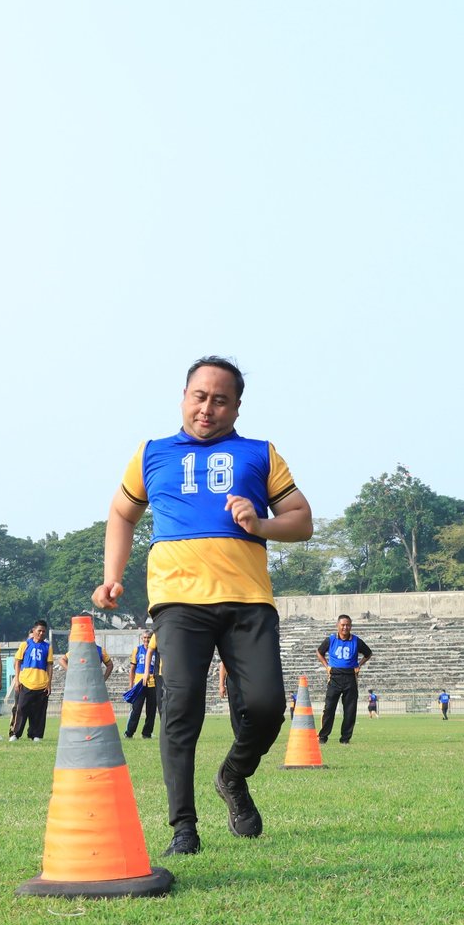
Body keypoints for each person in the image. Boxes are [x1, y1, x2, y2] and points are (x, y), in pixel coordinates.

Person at [92, 356, 313, 856]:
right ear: (183, 397)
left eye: (220, 399)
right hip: (178, 601)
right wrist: (112, 577)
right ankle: (183, 829)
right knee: (180, 706)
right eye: (200, 396)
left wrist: (260, 523)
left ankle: (233, 775)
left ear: (236, 406)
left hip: (248, 599)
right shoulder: (152, 453)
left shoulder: (261, 454)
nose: (207, 408)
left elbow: (301, 520)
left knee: (266, 706)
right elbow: (121, 513)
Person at [317, 614, 373, 745]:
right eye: (343, 625)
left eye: (348, 625)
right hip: (334, 677)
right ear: (338, 625)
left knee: (350, 710)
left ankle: (345, 739)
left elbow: (368, 653)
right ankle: (323, 737)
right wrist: (327, 666)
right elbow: (319, 652)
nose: (345, 627)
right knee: (329, 708)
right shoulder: (330, 640)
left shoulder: (356, 641)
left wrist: (359, 665)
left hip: (350, 677)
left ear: (351, 626)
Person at [8, 620, 53, 742]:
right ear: (33, 631)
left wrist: (49, 683)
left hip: (41, 684)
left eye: (44, 631)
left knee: (39, 712)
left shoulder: (48, 647)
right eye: (39, 631)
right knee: (21, 709)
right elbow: (17, 662)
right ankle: (15, 734)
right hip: (26, 682)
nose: (41, 633)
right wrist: (17, 680)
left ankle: (36, 734)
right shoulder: (25, 645)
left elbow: (49, 665)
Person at [124, 630, 160, 739]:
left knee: (151, 710)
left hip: (153, 683)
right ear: (142, 638)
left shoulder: (156, 651)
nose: (146, 640)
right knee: (136, 709)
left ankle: (147, 733)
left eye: (148, 638)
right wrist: (131, 684)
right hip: (139, 683)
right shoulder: (137, 650)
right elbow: (132, 669)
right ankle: (129, 733)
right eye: (144, 638)